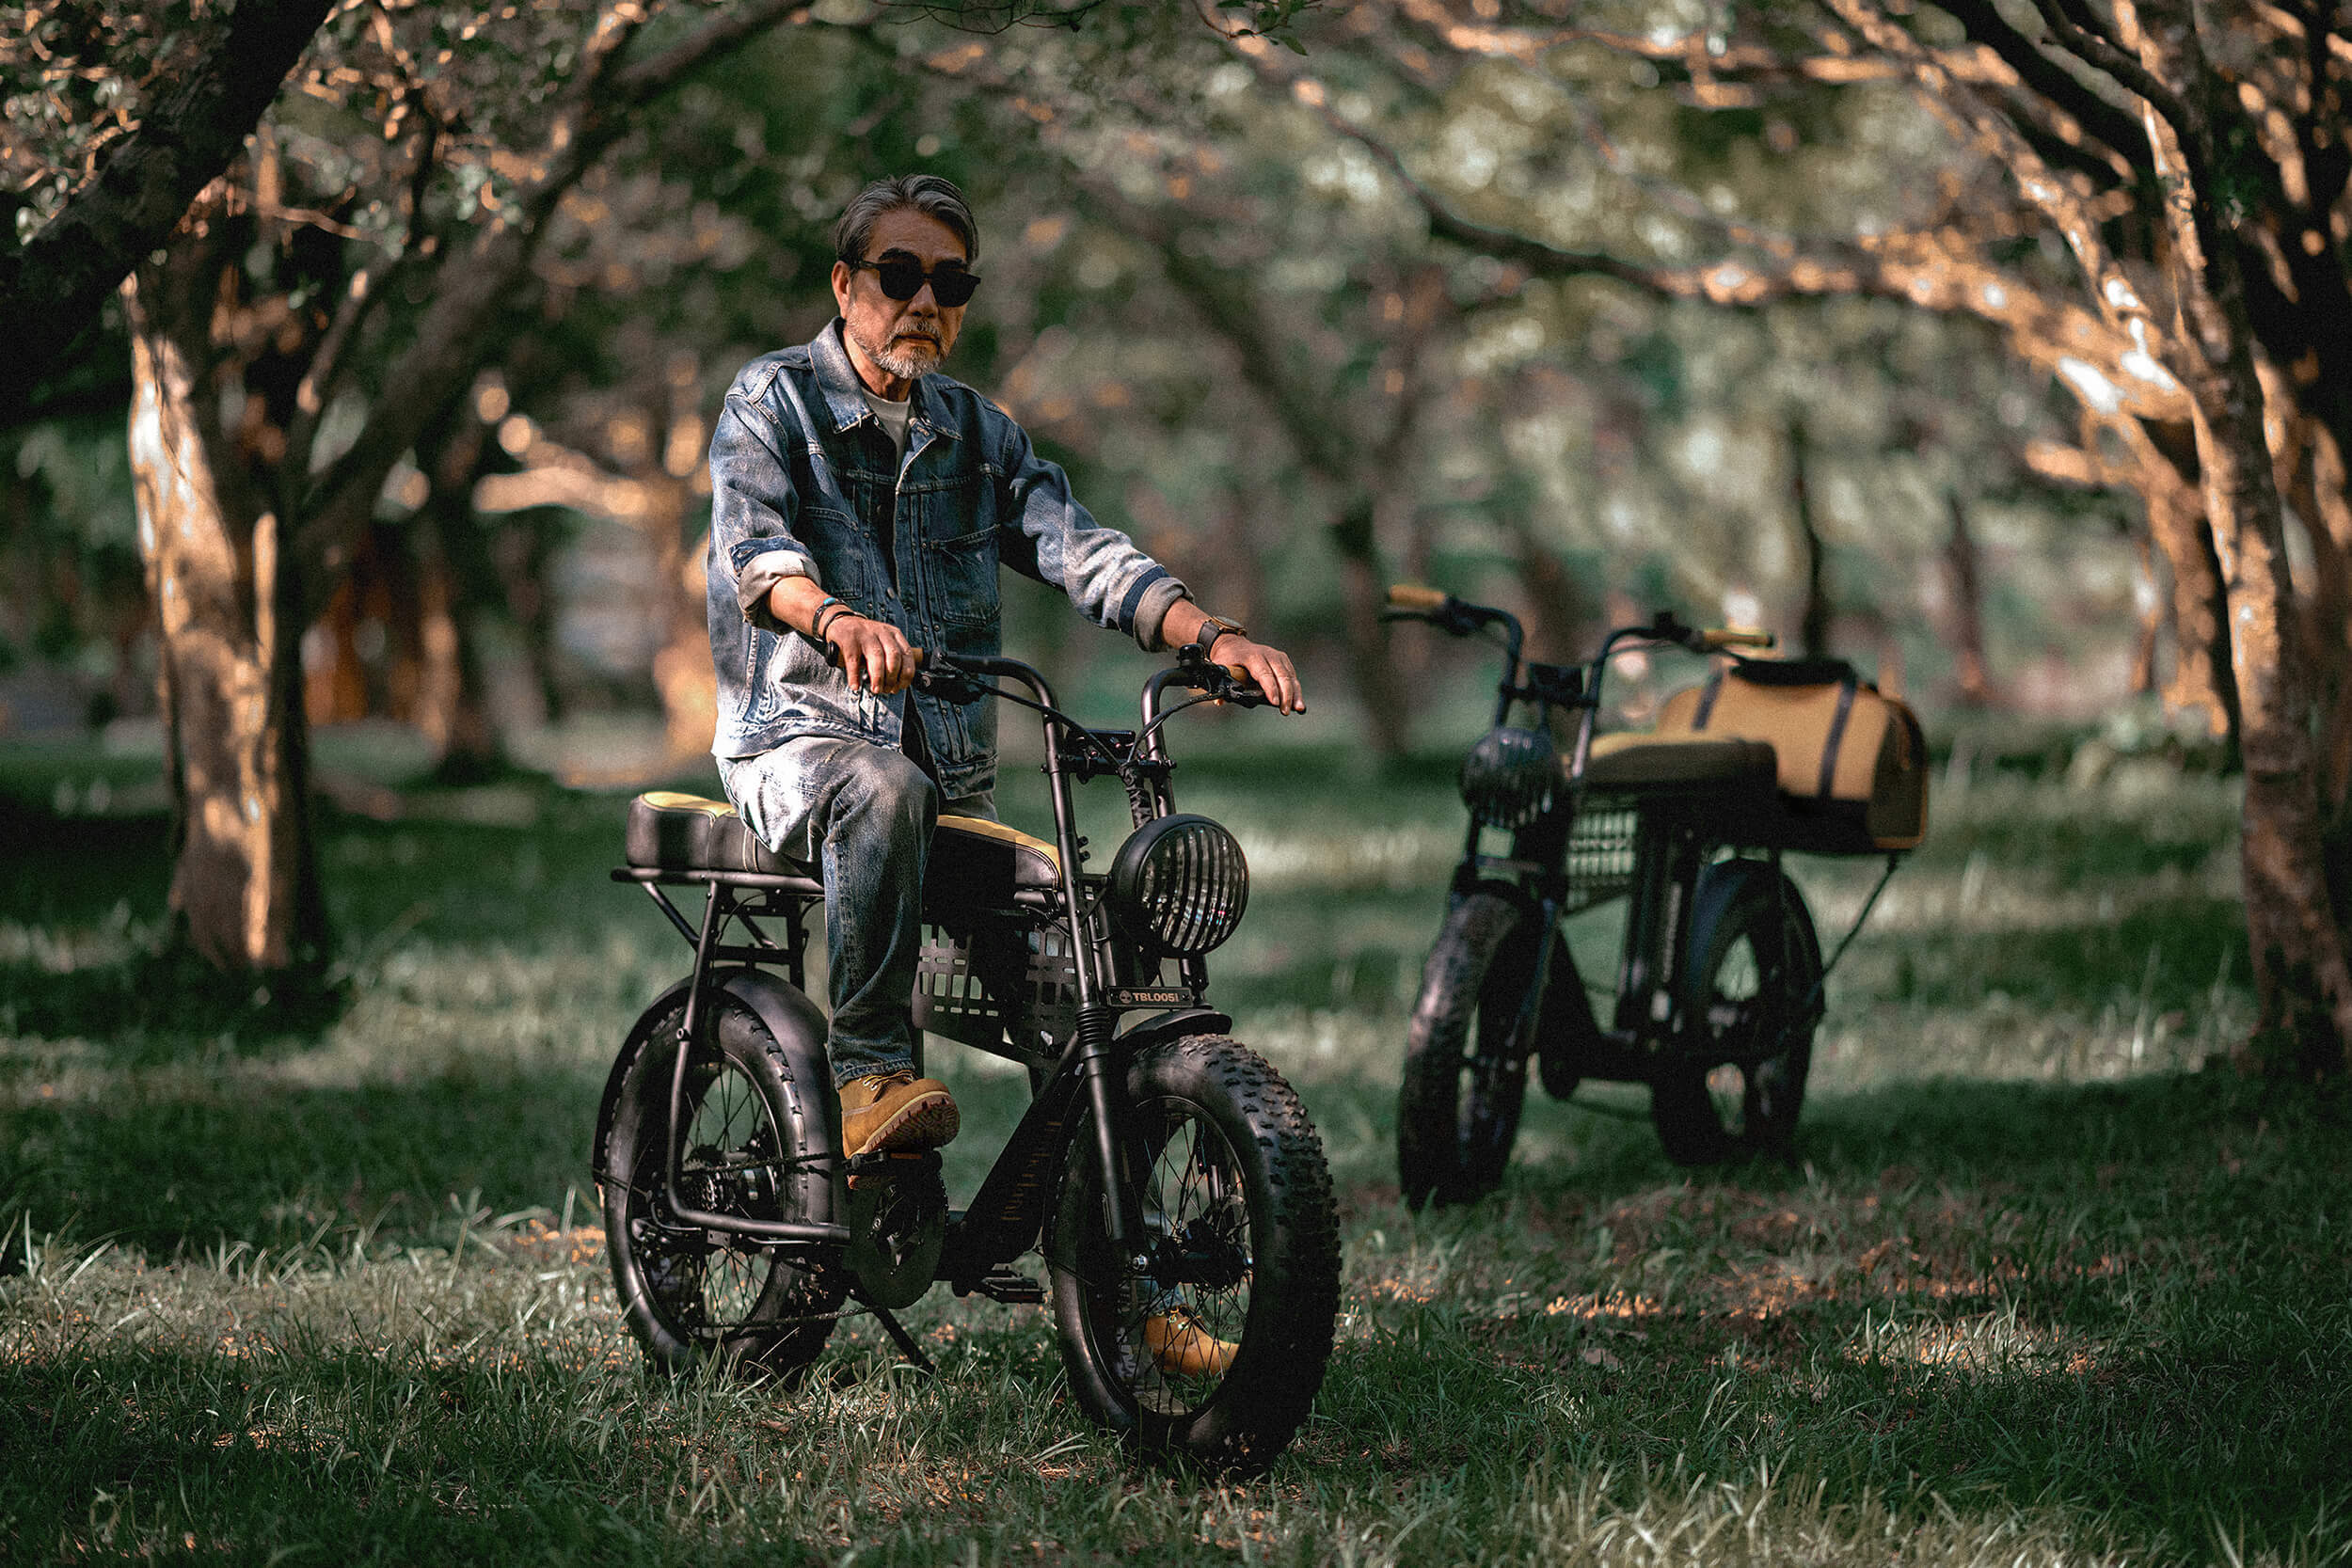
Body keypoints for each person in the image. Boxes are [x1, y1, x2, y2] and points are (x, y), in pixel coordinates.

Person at [706, 173, 1304, 1164]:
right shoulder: (773, 401)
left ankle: (1118, 1246)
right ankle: (865, 1071)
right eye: (898, 275)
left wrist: (1210, 635)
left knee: (1077, 973)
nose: (924, 302)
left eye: (951, 282)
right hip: (799, 745)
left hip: (950, 782)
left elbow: (1081, 549)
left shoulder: (979, 433)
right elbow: (757, 557)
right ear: (845, 285)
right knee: (880, 782)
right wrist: (838, 618)